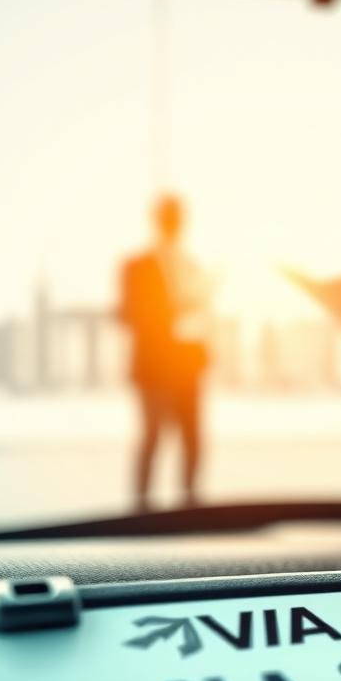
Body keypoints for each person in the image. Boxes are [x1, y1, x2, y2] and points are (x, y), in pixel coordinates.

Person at [118, 195, 212, 511]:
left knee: (193, 439)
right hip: (154, 367)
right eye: (170, 217)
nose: (175, 223)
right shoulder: (136, 265)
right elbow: (126, 314)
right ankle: (141, 508)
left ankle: (190, 506)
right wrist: (172, 309)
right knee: (152, 436)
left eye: (178, 217)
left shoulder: (192, 264)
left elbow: (202, 316)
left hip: (188, 364)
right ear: (158, 220)